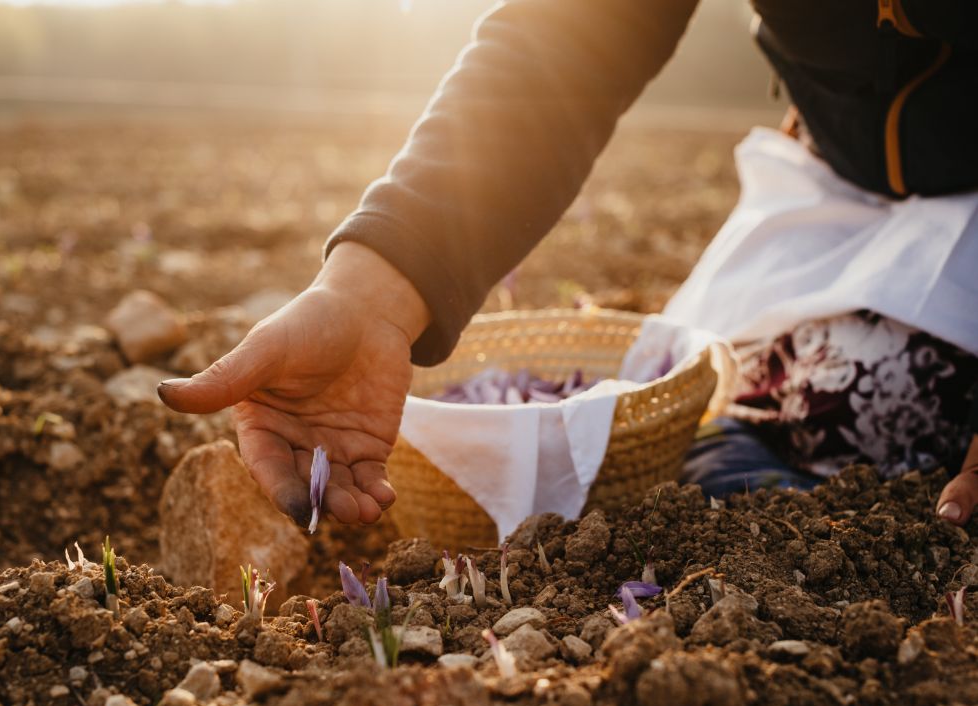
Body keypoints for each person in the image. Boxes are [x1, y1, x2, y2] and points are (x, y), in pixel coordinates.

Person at [158, 0, 978, 530]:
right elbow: (570, 41)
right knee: (729, 414)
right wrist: (372, 287)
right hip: (839, 188)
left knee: (858, 425)